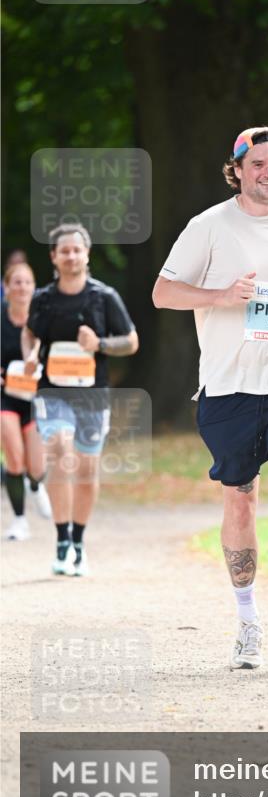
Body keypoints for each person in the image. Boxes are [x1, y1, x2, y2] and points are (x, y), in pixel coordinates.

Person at [153, 126, 268, 673]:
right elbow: (163, 292)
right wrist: (221, 296)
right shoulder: (208, 226)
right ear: (236, 169)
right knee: (240, 498)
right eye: (258, 164)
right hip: (230, 387)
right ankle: (247, 625)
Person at [22, 225, 139, 576]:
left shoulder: (104, 297)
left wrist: (100, 344)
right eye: (64, 251)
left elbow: (131, 341)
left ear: (86, 254)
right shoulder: (43, 299)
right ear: (54, 257)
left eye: (77, 250)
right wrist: (30, 355)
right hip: (52, 391)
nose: (71, 256)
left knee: (86, 470)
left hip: (92, 395)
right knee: (59, 449)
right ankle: (60, 539)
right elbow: (30, 333)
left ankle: (77, 541)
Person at [1, 262, 51, 539]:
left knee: (37, 466)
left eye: (27, 282)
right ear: (6, 288)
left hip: (35, 398)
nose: (21, 287)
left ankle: (35, 485)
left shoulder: (42, 319)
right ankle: (19, 520)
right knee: (15, 460)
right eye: (16, 282)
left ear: (34, 287)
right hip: (5, 398)